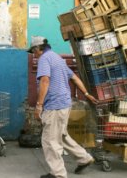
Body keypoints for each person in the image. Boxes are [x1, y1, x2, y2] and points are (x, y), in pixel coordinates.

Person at [28, 36, 98, 178]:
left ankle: (58, 174)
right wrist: (86, 93)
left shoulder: (44, 59)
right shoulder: (57, 58)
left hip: (54, 105)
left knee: (50, 140)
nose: (33, 55)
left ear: (38, 49)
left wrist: (39, 105)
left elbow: (45, 80)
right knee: (61, 135)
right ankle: (84, 158)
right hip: (65, 103)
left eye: (33, 51)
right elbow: (74, 77)